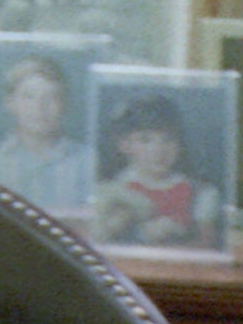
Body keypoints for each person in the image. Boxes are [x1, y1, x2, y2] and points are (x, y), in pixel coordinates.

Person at [92, 92, 222, 249]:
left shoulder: (200, 192)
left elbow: (206, 244)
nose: (158, 150)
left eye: (168, 139)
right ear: (124, 144)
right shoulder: (112, 191)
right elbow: (100, 243)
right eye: (145, 140)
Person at [0, 51, 92, 220]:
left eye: (51, 97)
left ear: (64, 104)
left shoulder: (86, 161)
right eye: (29, 97)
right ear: (10, 103)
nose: (39, 108)